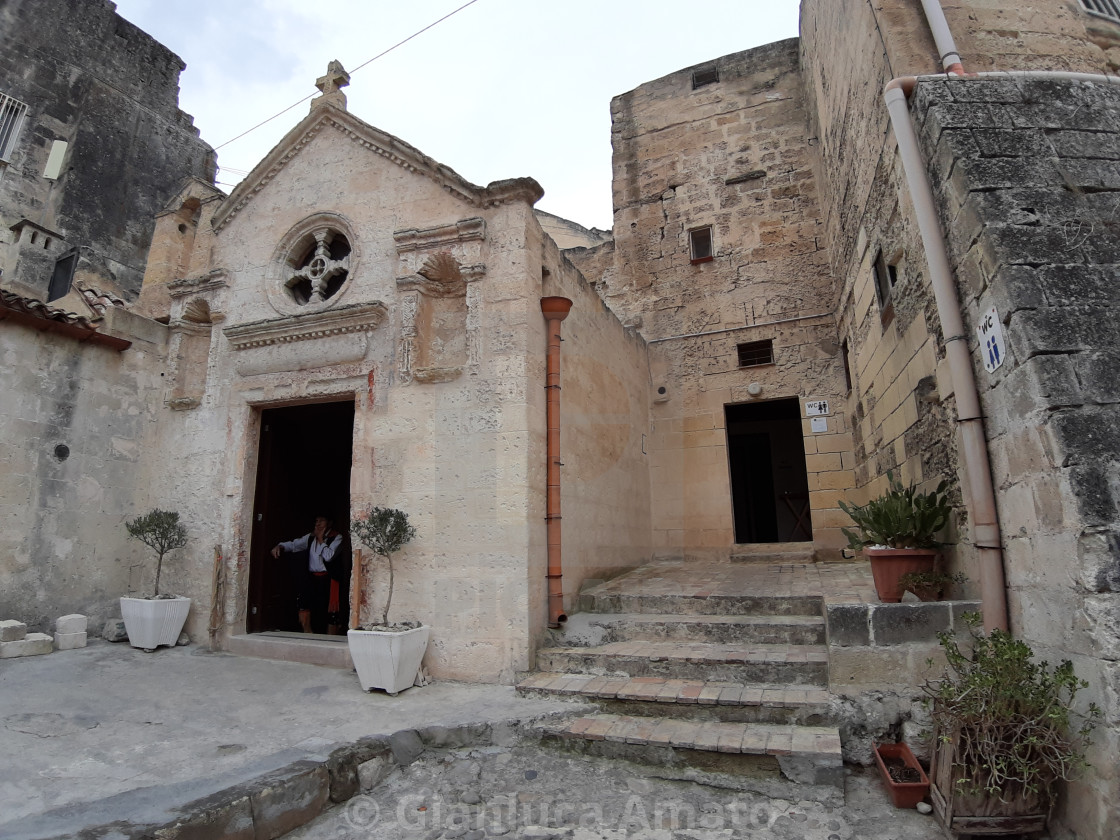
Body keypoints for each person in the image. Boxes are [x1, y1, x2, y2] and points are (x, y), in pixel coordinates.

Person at [271, 514, 344, 634]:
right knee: (305, 604)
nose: (318, 524)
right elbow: (295, 544)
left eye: (322, 521)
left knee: (330, 611)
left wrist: (321, 540)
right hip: (312, 578)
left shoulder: (337, 537)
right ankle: (308, 633)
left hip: (329, 579)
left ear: (329, 523)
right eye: (316, 521)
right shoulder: (310, 538)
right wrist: (280, 546)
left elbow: (328, 556)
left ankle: (330, 639)